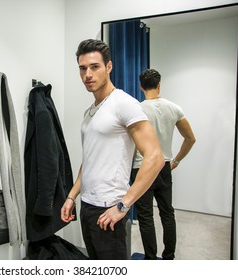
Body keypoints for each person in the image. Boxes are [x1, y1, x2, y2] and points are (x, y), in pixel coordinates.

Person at [60, 39, 165, 260]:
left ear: (109, 67)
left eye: (95, 66)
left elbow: (155, 157)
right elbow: (89, 160)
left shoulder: (123, 104)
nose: (88, 74)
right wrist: (71, 196)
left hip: (109, 208)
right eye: (82, 68)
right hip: (87, 206)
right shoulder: (90, 111)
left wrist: (123, 205)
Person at [131, 69, 196, 260]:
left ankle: (150, 259)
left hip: (141, 167)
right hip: (164, 166)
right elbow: (190, 139)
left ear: (141, 86)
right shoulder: (174, 108)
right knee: (167, 214)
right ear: (159, 85)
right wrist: (175, 160)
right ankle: (168, 258)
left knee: (145, 217)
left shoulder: (137, 109)